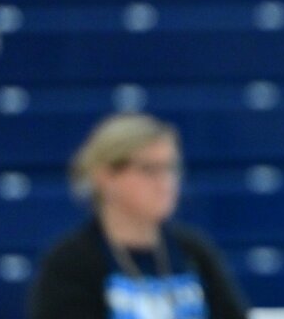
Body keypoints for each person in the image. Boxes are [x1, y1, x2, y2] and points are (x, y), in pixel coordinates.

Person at [28, 113, 251, 319]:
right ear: (105, 177)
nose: (166, 183)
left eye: (171, 168)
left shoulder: (194, 251)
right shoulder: (70, 262)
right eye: (150, 169)